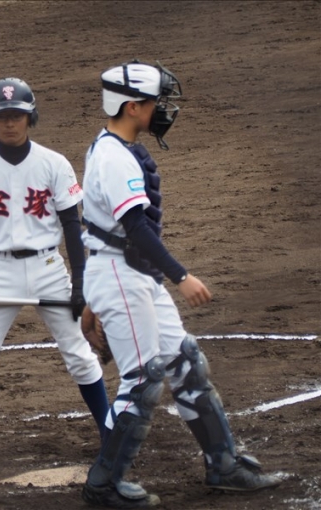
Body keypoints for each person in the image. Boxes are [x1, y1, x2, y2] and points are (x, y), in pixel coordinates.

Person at [79, 61, 281, 508]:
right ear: (132, 107)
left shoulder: (117, 148)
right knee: (143, 380)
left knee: (185, 363)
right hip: (122, 272)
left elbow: (108, 229)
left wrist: (96, 299)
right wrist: (182, 277)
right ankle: (103, 484)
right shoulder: (113, 157)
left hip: (130, 273)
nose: (162, 110)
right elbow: (135, 227)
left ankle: (223, 465)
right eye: (155, 102)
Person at [0, 77, 110, 469]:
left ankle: (109, 434)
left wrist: (80, 284)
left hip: (49, 269)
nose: (10, 123)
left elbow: (71, 225)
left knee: (80, 354)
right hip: (0, 273)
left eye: (17, 116)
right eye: (2, 117)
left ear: (30, 118)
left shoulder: (53, 163)